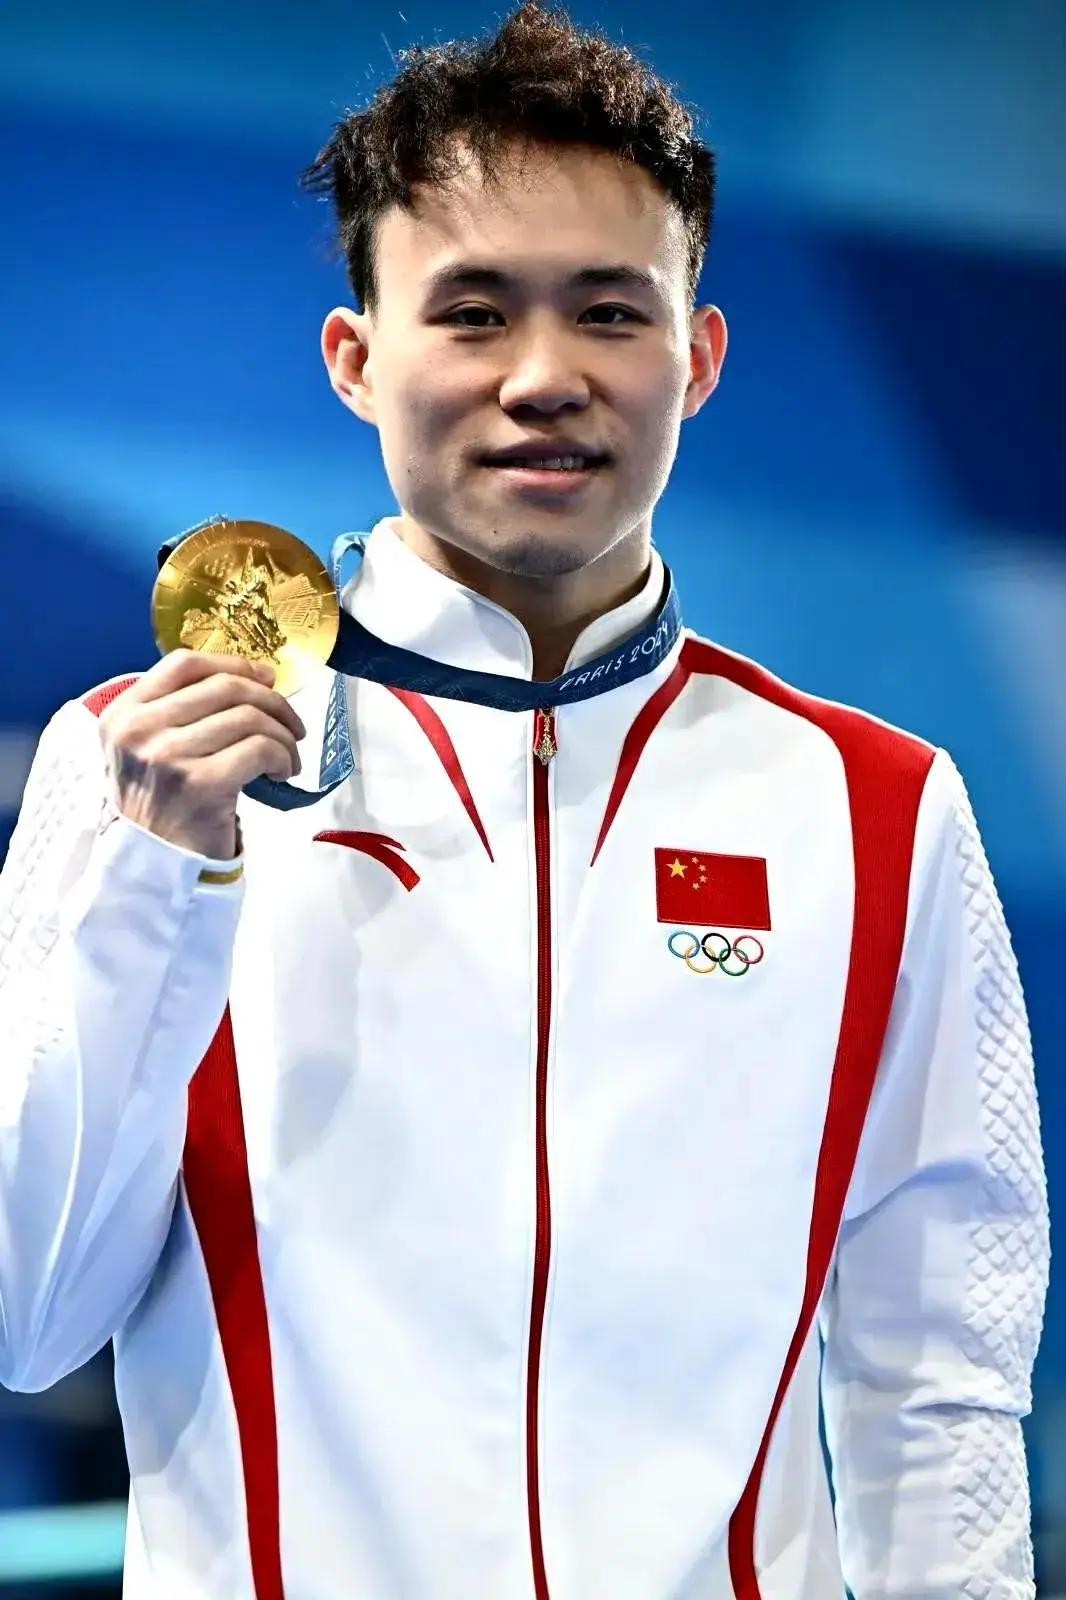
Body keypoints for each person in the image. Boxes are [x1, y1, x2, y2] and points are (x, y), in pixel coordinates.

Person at [0, 4, 1049, 1597]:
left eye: (609, 313)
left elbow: (938, 1382)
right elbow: (28, 1321)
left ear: (696, 357)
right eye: (474, 313)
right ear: (357, 360)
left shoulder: (877, 807)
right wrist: (157, 886)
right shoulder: (137, 762)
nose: (543, 378)